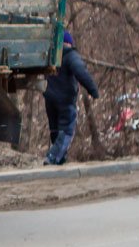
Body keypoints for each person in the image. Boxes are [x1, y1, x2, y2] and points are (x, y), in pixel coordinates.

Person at [43, 31, 100, 165]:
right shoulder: (70, 56)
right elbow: (81, 73)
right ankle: (52, 157)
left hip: (50, 98)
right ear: (68, 43)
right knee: (67, 130)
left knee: (55, 129)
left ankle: (60, 158)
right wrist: (93, 90)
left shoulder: (50, 55)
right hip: (65, 100)